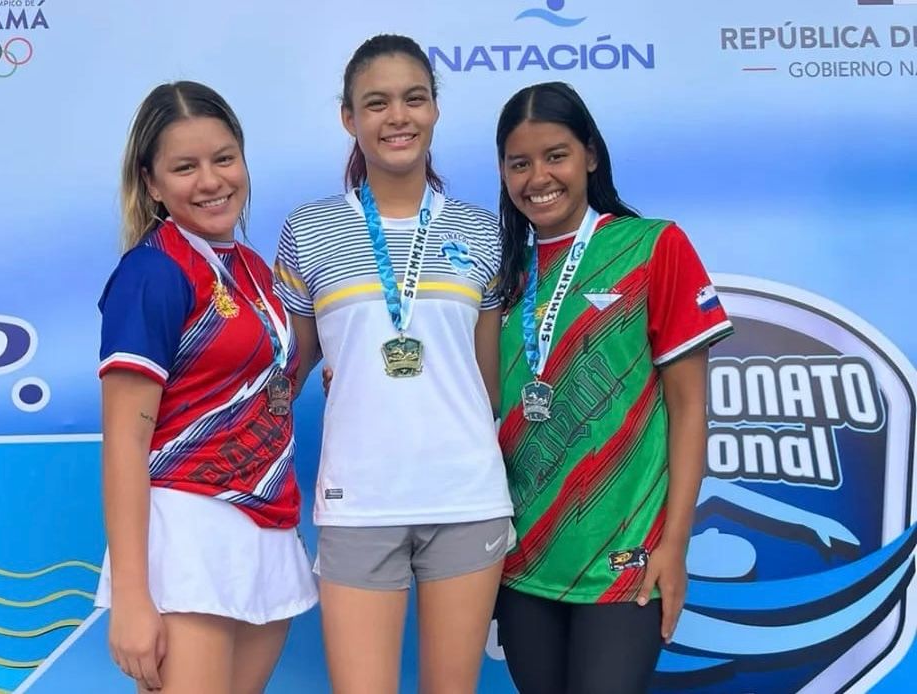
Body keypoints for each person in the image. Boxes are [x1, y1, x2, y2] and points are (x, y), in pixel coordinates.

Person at [272, 34, 513, 694]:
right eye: (376, 103)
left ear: (435, 108)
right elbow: (288, 369)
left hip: (466, 497)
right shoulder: (309, 229)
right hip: (359, 499)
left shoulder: (482, 231)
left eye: (414, 99)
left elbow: (488, 382)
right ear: (348, 118)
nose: (397, 117)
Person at [491, 81, 734, 694]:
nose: (538, 178)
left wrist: (674, 546)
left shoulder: (652, 246)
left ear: (591, 156)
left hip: (626, 560)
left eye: (556, 156)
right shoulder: (501, 272)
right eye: (519, 163)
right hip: (520, 562)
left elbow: (689, 408)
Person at [94, 81, 317, 694]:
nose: (211, 181)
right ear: (151, 182)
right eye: (185, 167)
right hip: (189, 537)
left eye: (224, 158)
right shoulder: (152, 272)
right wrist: (132, 598)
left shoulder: (252, 269)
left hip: (266, 529)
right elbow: (123, 443)